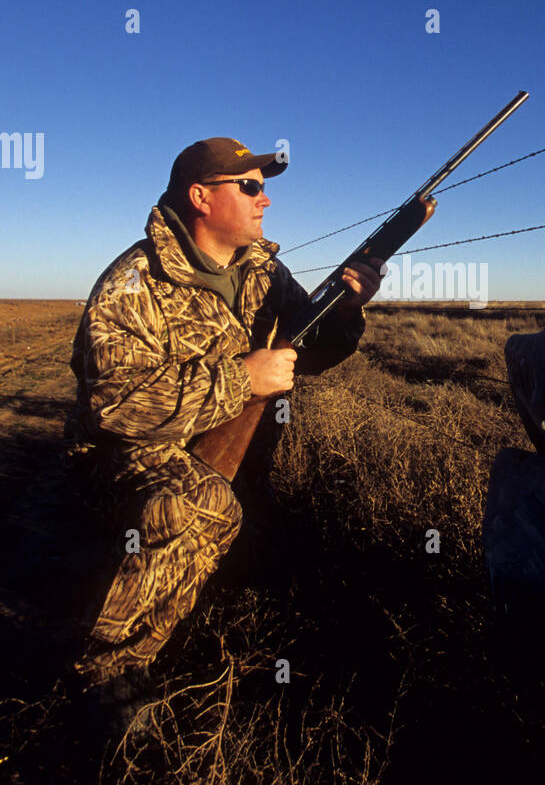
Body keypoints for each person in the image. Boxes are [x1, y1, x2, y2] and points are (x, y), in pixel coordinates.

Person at [63, 136, 381, 734]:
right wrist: (241, 380)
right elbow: (117, 408)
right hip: (120, 456)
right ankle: (110, 676)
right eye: (252, 186)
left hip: (219, 447)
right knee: (198, 505)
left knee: (266, 544)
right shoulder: (133, 283)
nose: (266, 201)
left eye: (266, 187)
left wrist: (345, 309)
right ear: (201, 197)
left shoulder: (263, 271)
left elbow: (309, 352)